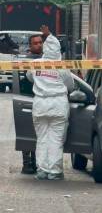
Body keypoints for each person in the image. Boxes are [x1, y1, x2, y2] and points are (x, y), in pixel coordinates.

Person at [26, 25, 74, 180]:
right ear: (58, 49)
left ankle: (42, 170)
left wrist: (42, 83)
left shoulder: (35, 64)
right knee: (56, 139)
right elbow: (71, 86)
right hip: (58, 104)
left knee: (42, 138)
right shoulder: (62, 66)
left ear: (46, 48)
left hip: (40, 104)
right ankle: (54, 171)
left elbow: (29, 77)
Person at [21, 34, 43, 174]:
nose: (39, 45)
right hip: (28, 99)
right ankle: (26, 163)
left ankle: (36, 162)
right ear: (30, 46)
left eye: (40, 42)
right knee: (27, 132)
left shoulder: (47, 59)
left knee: (39, 134)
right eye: (35, 43)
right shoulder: (25, 61)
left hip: (42, 100)